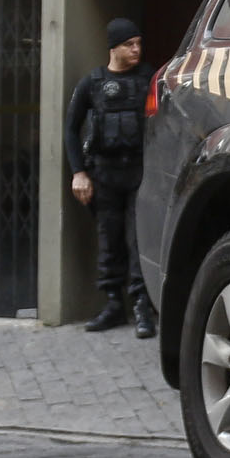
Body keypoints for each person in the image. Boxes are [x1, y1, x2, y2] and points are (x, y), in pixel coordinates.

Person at [65, 17, 155, 337]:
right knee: (109, 240)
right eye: (130, 44)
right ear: (113, 48)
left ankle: (143, 306)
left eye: (139, 43)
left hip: (139, 173)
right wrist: (79, 173)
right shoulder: (93, 83)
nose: (136, 49)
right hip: (104, 174)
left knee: (137, 239)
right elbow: (70, 130)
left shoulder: (148, 78)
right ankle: (114, 304)